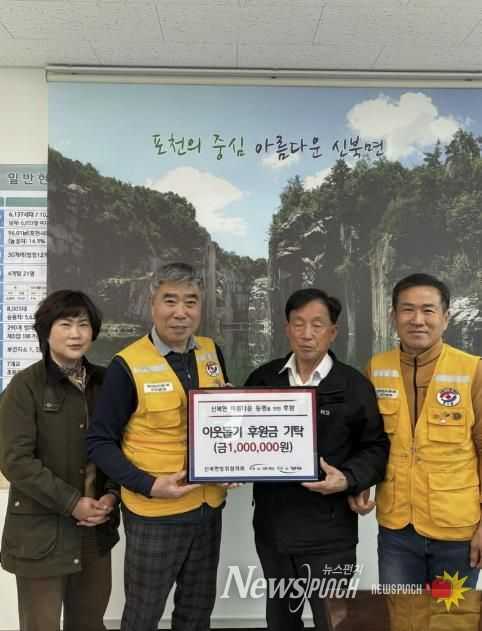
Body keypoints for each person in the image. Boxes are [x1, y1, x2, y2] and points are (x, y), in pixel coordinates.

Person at [86, 262, 230, 631]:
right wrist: (149, 485)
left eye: (191, 302)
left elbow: (222, 423)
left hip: (208, 508)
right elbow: (99, 442)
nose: (181, 312)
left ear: (201, 307)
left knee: (197, 612)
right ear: (152, 304)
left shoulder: (211, 352)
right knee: (143, 615)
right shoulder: (128, 364)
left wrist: (232, 463)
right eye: (170, 300)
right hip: (155, 514)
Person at [245, 287, 388, 631]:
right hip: (273, 530)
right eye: (298, 324)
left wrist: (348, 478)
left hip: (330, 532)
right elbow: (241, 437)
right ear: (286, 329)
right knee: (280, 619)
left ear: (333, 332)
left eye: (317, 325)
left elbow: (375, 447)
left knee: (334, 621)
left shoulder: (354, 385)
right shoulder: (263, 379)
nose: (307, 334)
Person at [0, 290, 119, 631]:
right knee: (41, 624)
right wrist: (72, 503)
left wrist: (112, 495)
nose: (75, 334)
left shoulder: (106, 382)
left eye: (83, 324)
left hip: (94, 530)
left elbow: (121, 446)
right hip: (41, 534)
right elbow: (16, 461)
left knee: (90, 622)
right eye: (65, 324)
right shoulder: (24, 386)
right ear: (46, 331)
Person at [363, 273, 482, 588]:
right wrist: (358, 484)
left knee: (449, 614)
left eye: (428, 310)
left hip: (457, 532)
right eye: (407, 309)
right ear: (394, 316)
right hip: (397, 532)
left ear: (446, 317)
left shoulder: (472, 370)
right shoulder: (376, 368)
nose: (417, 320)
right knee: (402, 614)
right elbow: (365, 440)